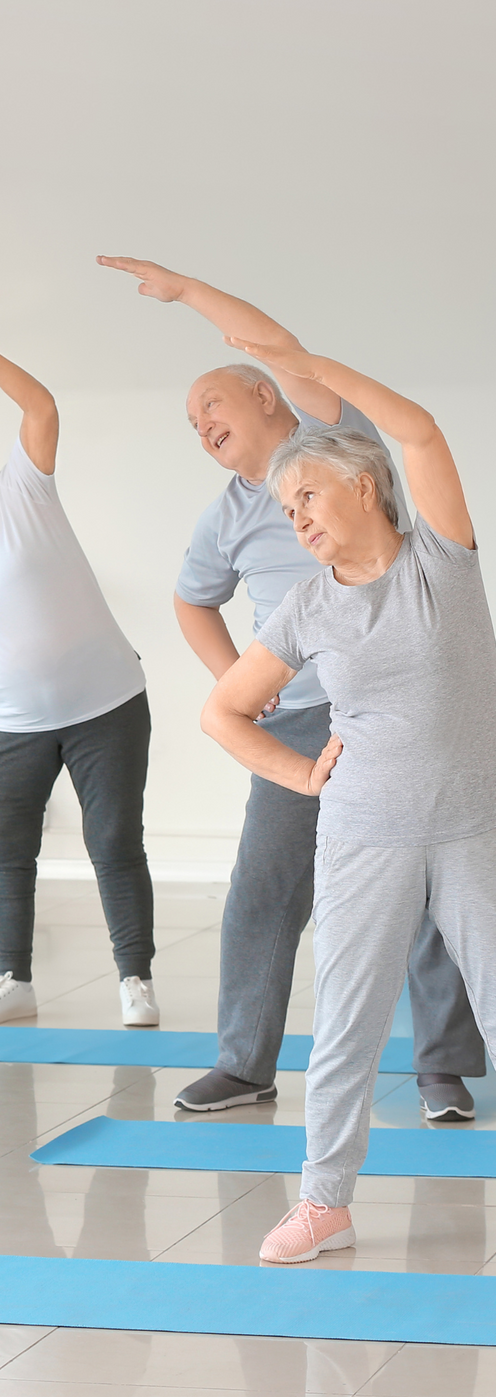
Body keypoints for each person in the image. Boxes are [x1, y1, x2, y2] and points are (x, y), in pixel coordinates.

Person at [99, 256, 483, 1121]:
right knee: (264, 889)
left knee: (430, 892)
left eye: (212, 406)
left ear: (265, 396)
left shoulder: (337, 443)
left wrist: (188, 294)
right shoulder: (227, 513)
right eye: (190, 422)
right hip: (305, 715)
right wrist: (236, 680)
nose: (200, 425)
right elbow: (191, 602)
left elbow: (276, 344)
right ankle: (245, 1064)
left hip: (403, 705)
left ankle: (441, 1068)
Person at [200, 335, 496, 1263]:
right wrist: (300, 776)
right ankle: (323, 1204)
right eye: (286, 510)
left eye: (308, 497)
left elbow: (422, 430)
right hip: (365, 832)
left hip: (473, 827)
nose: (297, 520)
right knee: (348, 1023)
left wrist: (308, 365)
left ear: (363, 486)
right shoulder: (308, 607)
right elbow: (223, 712)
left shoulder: (441, 560)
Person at [0, 330, 158, 1029]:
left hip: (106, 705)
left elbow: (41, 407)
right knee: (4, 854)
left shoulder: (23, 490)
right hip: (9, 723)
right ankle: (13, 980)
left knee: (114, 844)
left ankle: (135, 980)